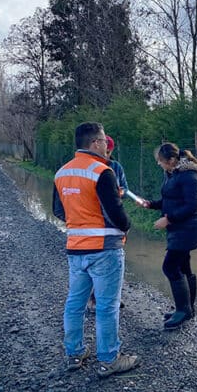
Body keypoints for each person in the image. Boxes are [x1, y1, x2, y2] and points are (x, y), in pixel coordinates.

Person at [53, 122, 140, 377]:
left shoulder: (62, 173)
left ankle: (75, 353)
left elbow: (59, 211)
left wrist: (80, 222)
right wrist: (126, 226)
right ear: (94, 143)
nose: (106, 146)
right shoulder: (101, 172)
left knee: (75, 302)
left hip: (75, 249)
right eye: (103, 141)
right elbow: (116, 213)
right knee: (107, 306)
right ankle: (109, 359)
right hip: (105, 250)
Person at [140, 142, 197, 330]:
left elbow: (191, 206)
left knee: (169, 267)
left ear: (172, 160)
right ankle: (187, 309)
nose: (159, 164)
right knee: (184, 267)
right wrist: (151, 204)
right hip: (178, 228)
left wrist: (168, 220)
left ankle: (182, 311)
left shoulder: (189, 175)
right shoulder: (173, 173)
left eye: (161, 161)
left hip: (187, 229)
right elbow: (170, 200)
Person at [87, 134, 129, 312]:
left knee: (114, 263)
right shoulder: (90, 168)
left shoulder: (116, 167)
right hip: (94, 222)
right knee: (96, 263)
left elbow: (125, 189)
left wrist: (118, 192)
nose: (107, 153)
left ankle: (112, 297)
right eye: (106, 149)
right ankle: (94, 299)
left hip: (113, 221)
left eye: (110, 151)